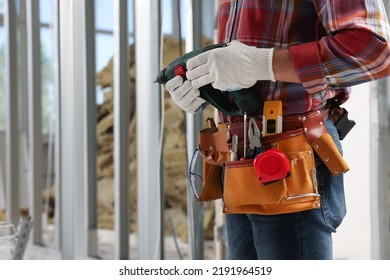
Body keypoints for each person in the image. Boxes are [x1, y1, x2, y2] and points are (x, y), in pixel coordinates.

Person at [165, 0, 390, 260]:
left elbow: (374, 52)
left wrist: (264, 63)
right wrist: (206, 84)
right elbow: (242, 60)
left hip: (292, 155)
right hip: (237, 159)